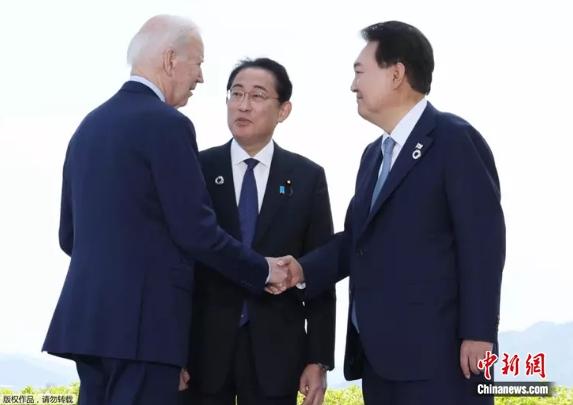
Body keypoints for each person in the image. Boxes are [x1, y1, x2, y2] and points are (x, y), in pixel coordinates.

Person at [42, 15, 288, 405]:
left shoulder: (88, 126)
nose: (201, 77)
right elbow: (196, 232)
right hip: (145, 330)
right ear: (171, 59)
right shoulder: (167, 124)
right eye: (198, 63)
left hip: (88, 328)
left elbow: (68, 236)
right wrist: (263, 269)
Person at [278, 21, 505, 405]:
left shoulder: (453, 139)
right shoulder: (373, 156)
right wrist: (301, 270)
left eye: (360, 71)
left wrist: (479, 332)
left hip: (442, 359)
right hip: (379, 361)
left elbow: (483, 242)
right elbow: (356, 241)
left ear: (396, 74)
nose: (353, 85)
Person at [181, 58, 336, 405]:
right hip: (201, 354)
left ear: (283, 110)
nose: (243, 105)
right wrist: (171, 351)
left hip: (277, 356)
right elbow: (177, 264)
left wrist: (318, 358)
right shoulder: (197, 168)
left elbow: (320, 270)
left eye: (257, 95)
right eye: (236, 94)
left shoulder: (307, 177)